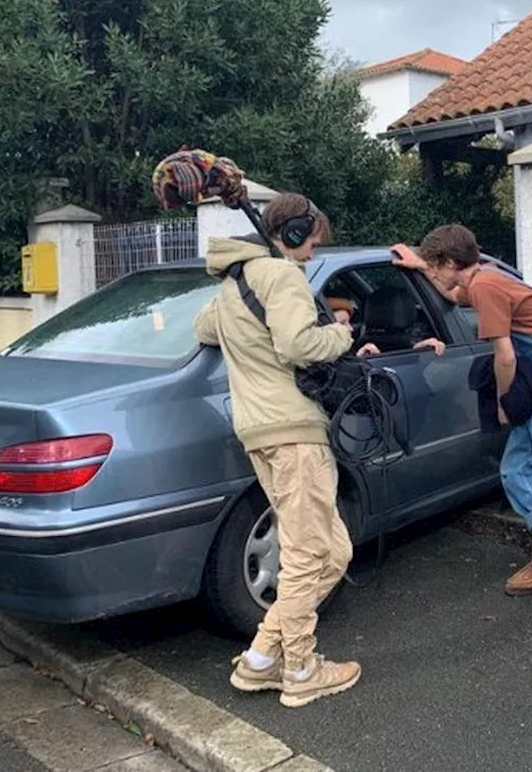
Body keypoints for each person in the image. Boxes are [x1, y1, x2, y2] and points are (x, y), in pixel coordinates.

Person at [192, 192, 362, 709]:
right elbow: (297, 346)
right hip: (293, 431)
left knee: (335, 551)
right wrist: (339, 335)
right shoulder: (281, 276)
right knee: (310, 554)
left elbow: (202, 329)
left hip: (259, 432)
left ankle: (262, 658)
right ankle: (303, 669)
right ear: (291, 234)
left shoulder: (232, 286)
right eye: (310, 241)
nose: (311, 253)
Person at [391, 225, 532, 603]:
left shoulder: (485, 287)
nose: (434, 274)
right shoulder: (481, 277)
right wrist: (421, 266)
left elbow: (505, 355)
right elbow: (452, 292)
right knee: (518, 466)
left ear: (451, 262)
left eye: (436, 266)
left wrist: (504, 403)